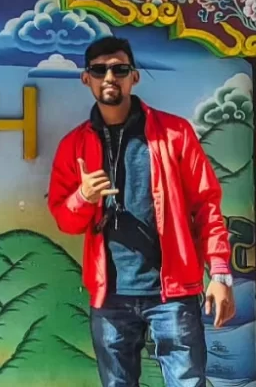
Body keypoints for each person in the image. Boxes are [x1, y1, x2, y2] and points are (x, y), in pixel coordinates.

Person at [48, 35, 234, 387]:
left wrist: (220, 273)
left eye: (119, 69)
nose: (109, 77)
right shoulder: (74, 146)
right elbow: (65, 220)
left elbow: (206, 204)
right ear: (85, 78)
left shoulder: (175, 134)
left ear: (134, 76)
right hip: (111, 296)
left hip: (173, 295)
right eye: (99, 70)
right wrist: (84, 197)